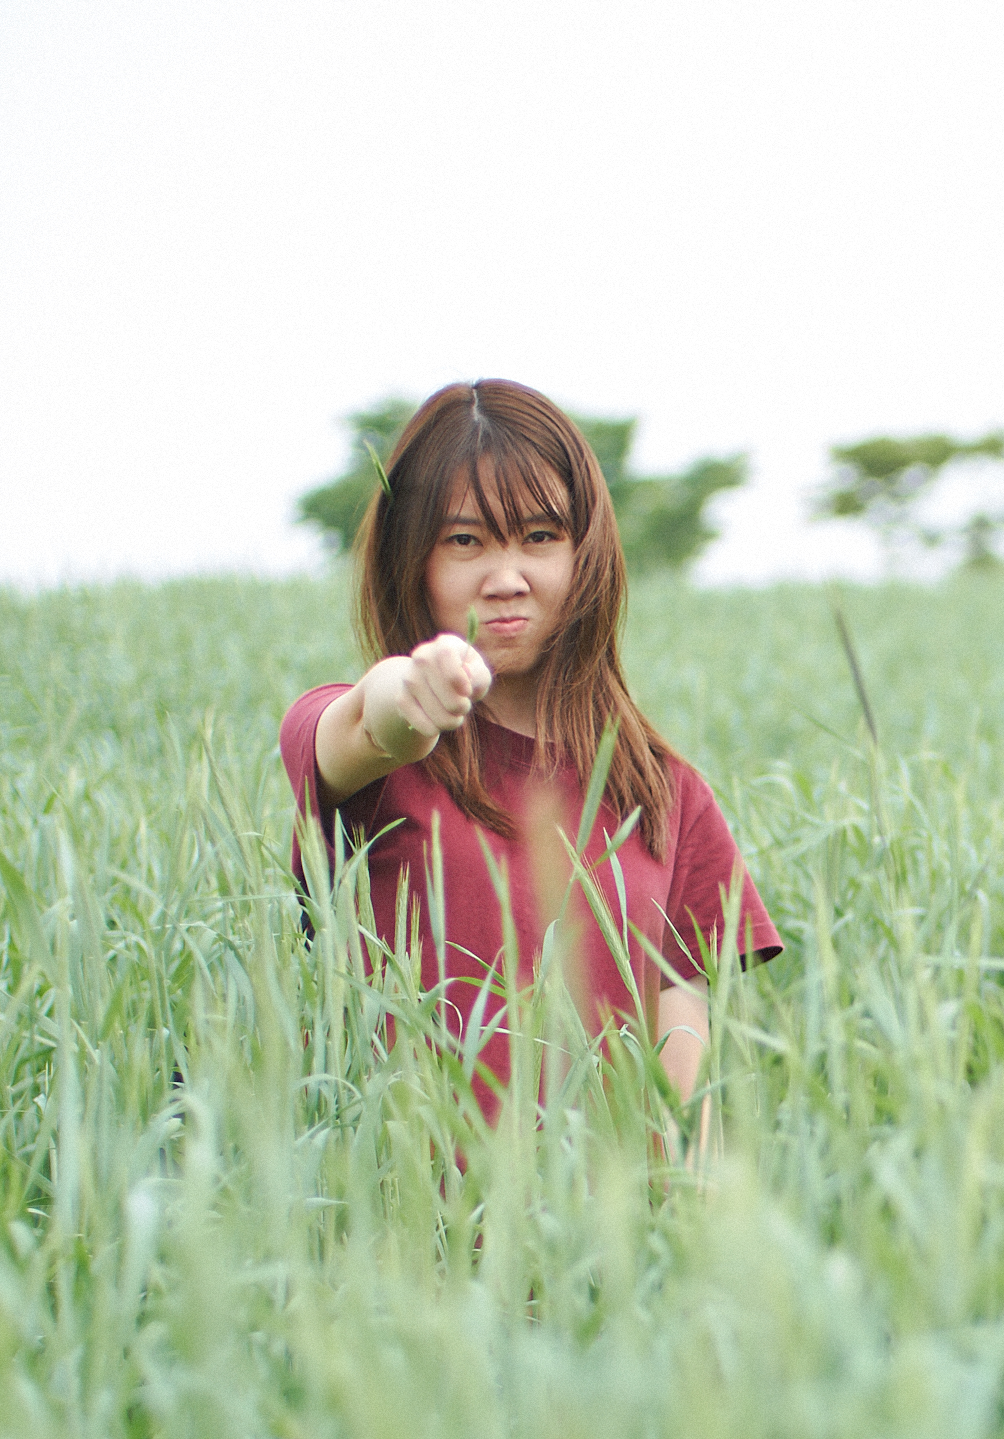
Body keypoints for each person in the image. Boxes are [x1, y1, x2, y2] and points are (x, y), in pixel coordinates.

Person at [280, 379, 780, 1115]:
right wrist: (418, 688)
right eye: (465, 542)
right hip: (405, 1221)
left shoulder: (662, 790)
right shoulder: (368, 756)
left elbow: (681, 1061)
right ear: (412, 560)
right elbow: (369, 722)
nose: (506, 579)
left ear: (587, 555)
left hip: (605, 1226)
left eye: (540, 538)